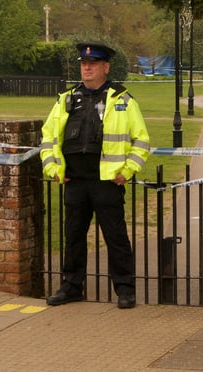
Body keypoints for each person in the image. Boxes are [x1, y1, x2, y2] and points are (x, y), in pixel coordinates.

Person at [40, 42, 151, 309]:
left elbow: (142, 141)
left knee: (116, 237)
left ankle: (125, 290)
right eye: (83, 64)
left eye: (92, 64)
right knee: (74, 237)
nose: (86, 68)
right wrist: (53, 170)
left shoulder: (122, 99)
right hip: (75, 181)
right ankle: (71, 287)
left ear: (105, 67)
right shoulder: (65, 99)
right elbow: (47, 138)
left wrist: (127, 171)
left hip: (107, 182)